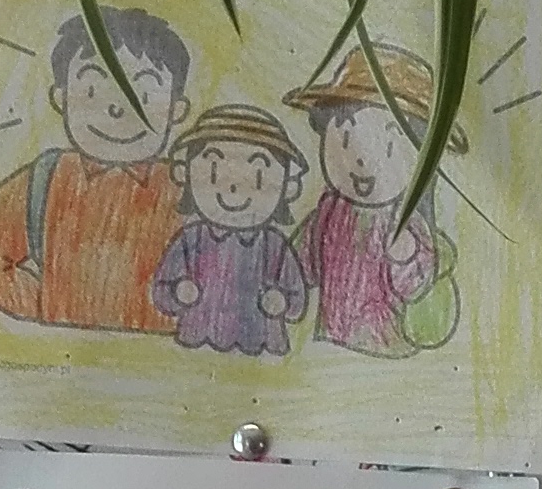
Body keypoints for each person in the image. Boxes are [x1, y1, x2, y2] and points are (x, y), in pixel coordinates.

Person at [0, 8, 191, 333]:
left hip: (165, 355)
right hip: (61, 353)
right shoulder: (46, 178)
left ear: (176, 110)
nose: (116, 108)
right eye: (93, 90)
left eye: (144, 95)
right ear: (62, 98)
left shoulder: (184, 187)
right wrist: (39, 307)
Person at [286, 47, 463, 355]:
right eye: (346, 137)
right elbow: (301, 264)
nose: (361, 161)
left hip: (384, 353)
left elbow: (416, 291)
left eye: (390, 144)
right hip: (331, 346)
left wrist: (405, 256)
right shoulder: (327, 211)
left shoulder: (406, 224)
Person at [150, 104, 309, 358]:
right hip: (195, 346)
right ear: (185, 174)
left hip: (261, 348)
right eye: (214, 173)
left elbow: (297, 300)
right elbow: (161, 291)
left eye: (258, 178)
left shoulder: (275, 246)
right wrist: (177, 293)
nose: (233, 187)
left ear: (287, 187)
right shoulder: (190, 240)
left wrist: (282, 302)